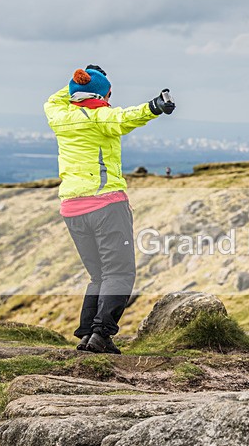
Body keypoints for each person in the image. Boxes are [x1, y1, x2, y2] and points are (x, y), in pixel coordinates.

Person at [44, 65, 176, 353]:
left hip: (72, 210)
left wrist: (81, 80)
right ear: (104, 96)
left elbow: (56, 98)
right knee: (120, 272)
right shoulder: (101, 117)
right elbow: (126, 117)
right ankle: (102, 335)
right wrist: (155, 106)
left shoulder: (59, 115)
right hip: (106, 206)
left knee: (98, 275)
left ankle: (86, 335)